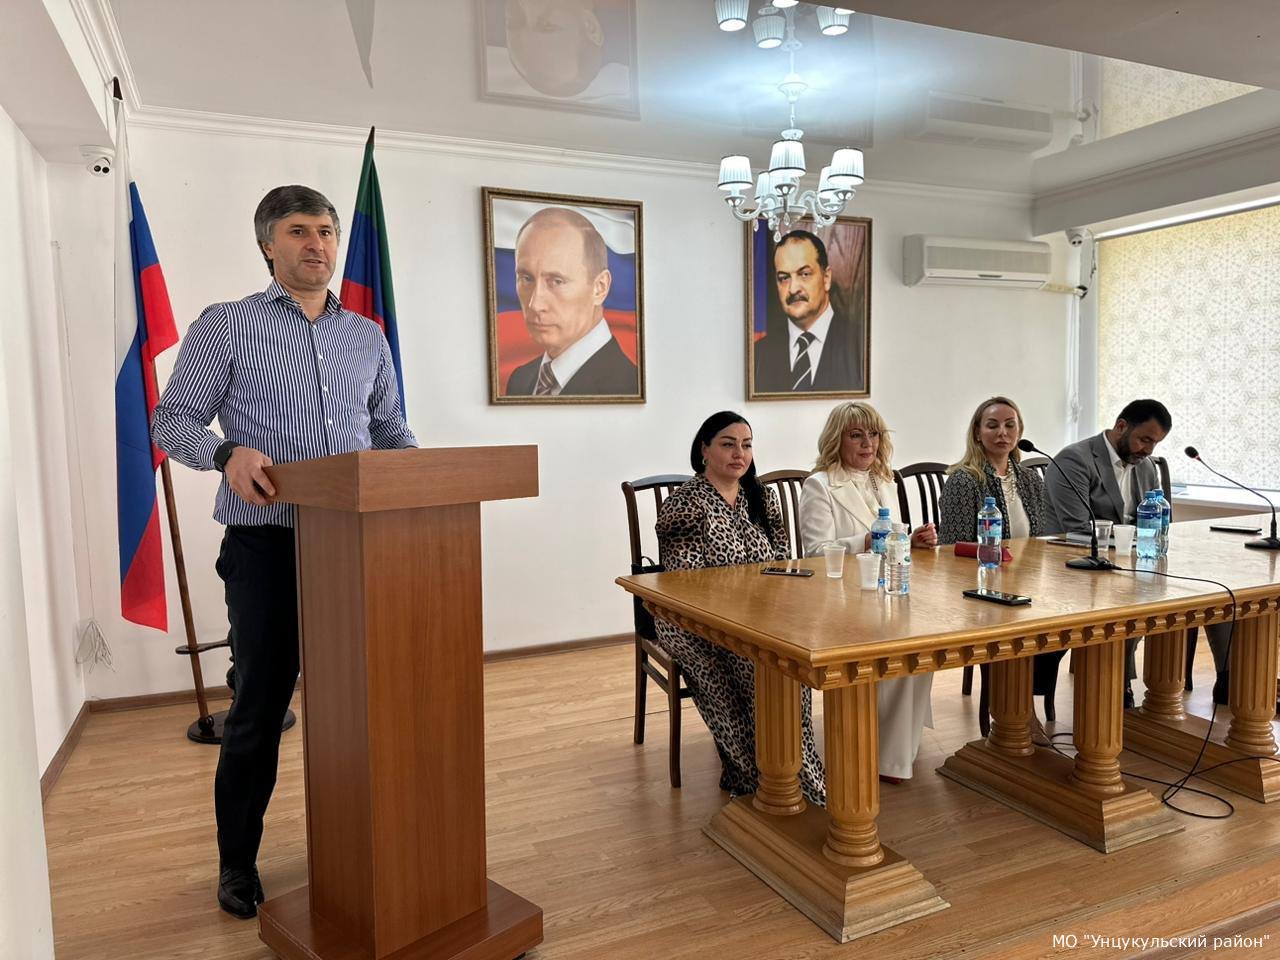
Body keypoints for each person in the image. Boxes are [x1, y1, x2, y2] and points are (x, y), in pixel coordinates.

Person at [152, 185, 417, 920]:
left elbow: (391, 431)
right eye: (299, 231)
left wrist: (422, 480)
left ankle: (365, 841)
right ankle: (237, 863)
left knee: (367, 701)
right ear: (268, 245)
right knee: (260, 708)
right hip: (266, 548)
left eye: (326, 231)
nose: (317, 245)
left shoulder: (365, 336)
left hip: (359, 545)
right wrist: (225, 453)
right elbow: (170, 421)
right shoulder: (227, 325)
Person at [654, 411, 825, 804]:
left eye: (746, 445)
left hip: (760, 616)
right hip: (691, 620)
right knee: (742, 674)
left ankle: (790, 774)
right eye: (728, 444)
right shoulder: (684, 505)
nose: (739, 454)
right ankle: (758, 779)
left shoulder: (761, 497)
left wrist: (775, 607)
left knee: (790, 669)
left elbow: (781, 562)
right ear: (704, 450)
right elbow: (685, 583)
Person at [798, 402, 937, 783]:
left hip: (886, 590)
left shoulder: (883, 480)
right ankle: (888, 756)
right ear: (837, 440)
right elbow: (815, 553)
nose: (867, 443)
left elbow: (891, 538)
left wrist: (912, 540)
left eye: (873, 434)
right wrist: (865, 540)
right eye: (856, 435)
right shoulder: (819, 485)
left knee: (925, 642)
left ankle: (898, 746)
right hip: (840, 601)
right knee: (900, 643)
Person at [938, 397, 1056, 736]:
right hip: (979, 586)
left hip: (1025, 581)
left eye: (1009, 425)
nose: (1002, 432)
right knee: (1021, 625)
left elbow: (1039, 538)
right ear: (977, 433)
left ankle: (1021, 702)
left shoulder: (1030, 479)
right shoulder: (964, 480)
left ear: (1019, 431)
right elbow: (951, 548)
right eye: (992, 425)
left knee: (1064, 623)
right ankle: (1017, 713)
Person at [1043, 399, 1171, 708]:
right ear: (1121, 426)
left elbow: (1156, 521)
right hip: (1069, 567)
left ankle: (1221, 681)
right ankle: (1114, 686)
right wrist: (1132, 539)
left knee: (1171, 599)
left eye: (1155, 443)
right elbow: (1077, 528)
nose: (1148, 450)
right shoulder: (1074, 459)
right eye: (1144, 439)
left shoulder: (1146, 466)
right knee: (1128, 605)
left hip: (1123, 565)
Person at [503, 206, 638, 397]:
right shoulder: (520, 380)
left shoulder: (628, 386)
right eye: (526, 278)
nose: (535, 304)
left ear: (600, 287)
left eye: (557, 281)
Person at [752, 230, 865, 394]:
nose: (793, 289)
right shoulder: (759, 354)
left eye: (804, 274)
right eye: (784, 278)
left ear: (826, 278)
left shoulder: (861, 344)